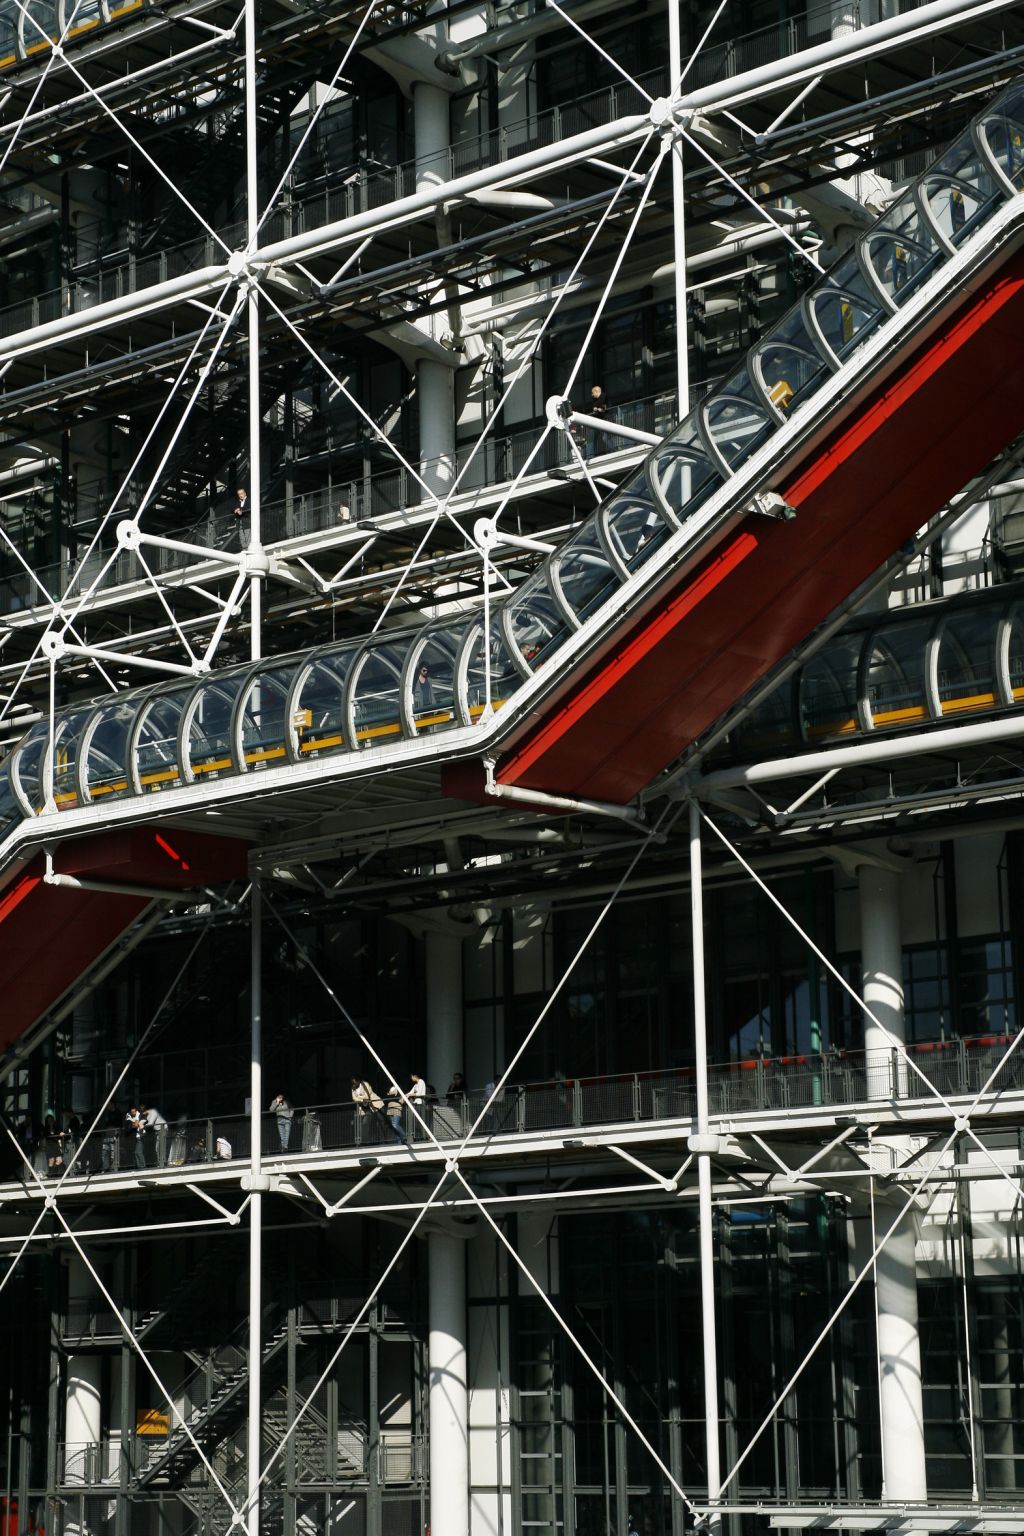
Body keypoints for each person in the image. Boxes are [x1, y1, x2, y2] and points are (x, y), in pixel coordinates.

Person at [586, 382, 608, 458]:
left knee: (605, 438)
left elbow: (604, 407)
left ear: (596, 392)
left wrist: (599, 408)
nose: (592, 395)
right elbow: (595, 408)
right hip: (599, 422)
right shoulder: (595, 401)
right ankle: (594, 454)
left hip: (605, 420)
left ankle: (611, 449)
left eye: (593, 393)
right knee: (597, 437)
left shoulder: (604, 396)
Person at [125, 1106, 145, 1170]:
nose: (133, 1113)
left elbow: (136, 1125)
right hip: (135, 1137)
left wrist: (134, 1123)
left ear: (136, 1111)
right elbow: (130, 1124)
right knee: (135, 1152)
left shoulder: (139, 1114)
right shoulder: (128, 1114)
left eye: (134, 1112)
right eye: (132, 1112)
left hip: (141, 1136)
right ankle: (139, 1166)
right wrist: (134, 1123)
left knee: (138, 1152)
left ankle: (142, 1166)